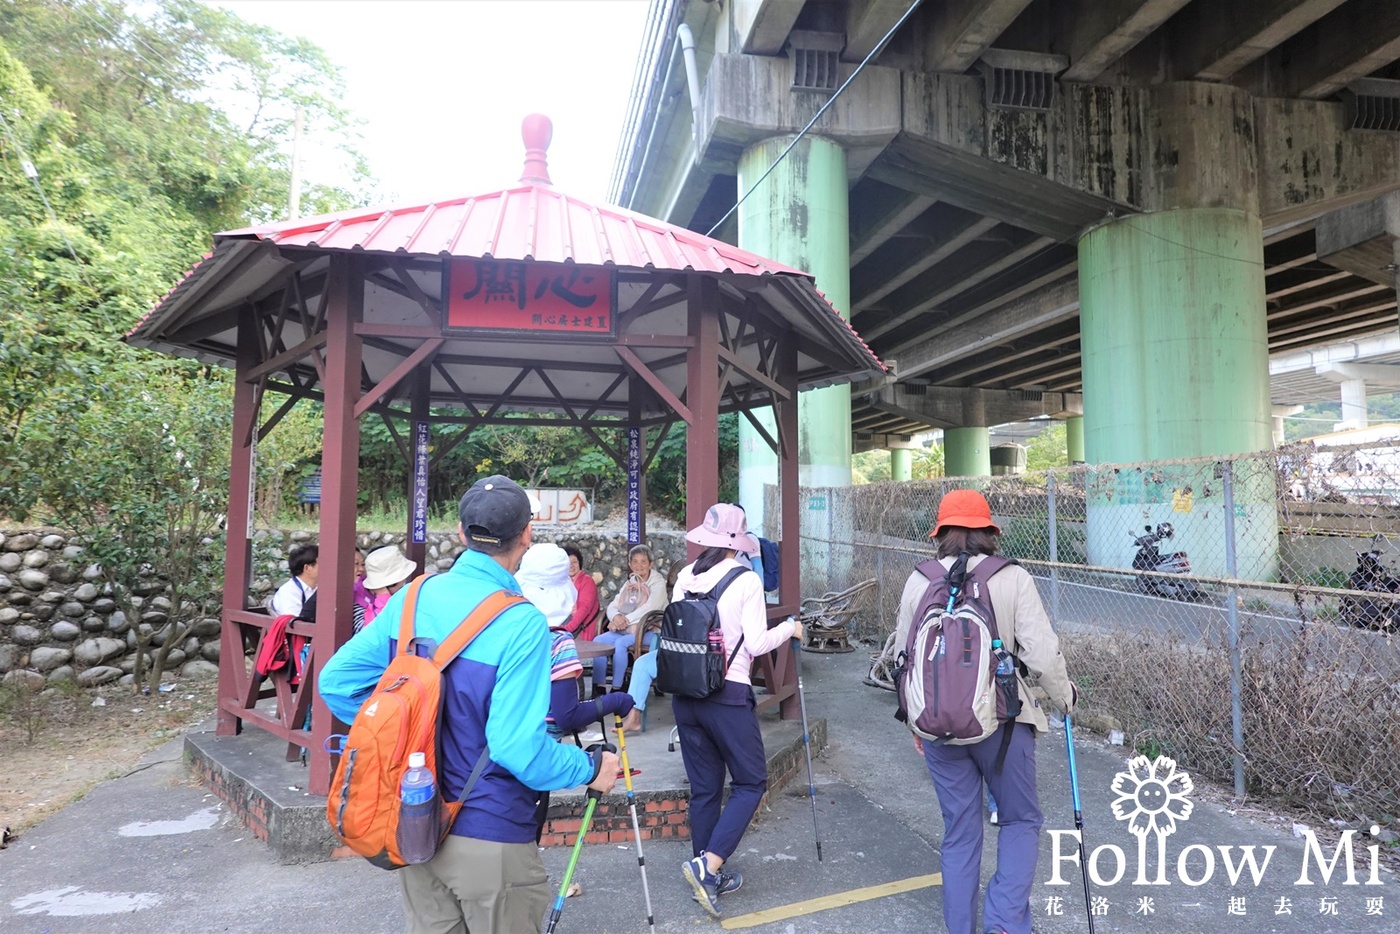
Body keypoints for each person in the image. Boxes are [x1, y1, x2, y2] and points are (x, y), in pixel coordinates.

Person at [319, 475, 620, 934]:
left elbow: (336, 683)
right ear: (526, 534)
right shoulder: (522, 622)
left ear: (460, 532)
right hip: (491, 833)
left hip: (417, 822)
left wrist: (413, 724)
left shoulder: (415, 596)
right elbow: (517, 749)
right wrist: (590, 765)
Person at [893, 489, 1075, 934]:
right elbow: (1043, 655)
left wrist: (915, 719)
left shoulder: (919, 580)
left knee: (959, 831)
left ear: (942, 533)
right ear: (988, 532)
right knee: (1019, 819)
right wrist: (1064, 696)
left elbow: (902, 657)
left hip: (938, 730)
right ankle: (1004, 925)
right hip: (1004, 727)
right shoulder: (1011, 578)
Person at [673, 503, 803, 919]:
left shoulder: (684, 575)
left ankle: (707, 870)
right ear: (738, 540)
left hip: (685, 694)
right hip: (727, 695)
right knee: (751, 782)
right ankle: (708, 866)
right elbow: (758, 643)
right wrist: (792, 628)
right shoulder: (745, 579)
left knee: (705, 787)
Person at [592, 544, 667, 694]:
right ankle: (598, 686)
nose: (639, 565)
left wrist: (624, 620)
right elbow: (613, 604)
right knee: (598, 641)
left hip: (651, 631)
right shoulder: (630, 582)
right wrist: (616, 616)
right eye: (635, 561)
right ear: (630, 564)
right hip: (626, 628)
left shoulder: (658, 583)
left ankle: (617, 687)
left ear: (651, 564)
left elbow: (650, 608)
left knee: (621, 643)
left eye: (643, 561)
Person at [624, 561, 683, 732]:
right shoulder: (679, 598)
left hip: (700, 656)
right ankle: (634, 717)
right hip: (673, 650)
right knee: (642, 664)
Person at [357, 544, 418, 629]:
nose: (404, 580)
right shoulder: (358, 600)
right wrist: (383, 597)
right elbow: (375, 631)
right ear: (393, 582)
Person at [561, 543, 600, 640]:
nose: (571, 566)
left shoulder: (587, 581)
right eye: (568, 562)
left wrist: (566, 629)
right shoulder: (561, 581)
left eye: (574, 562)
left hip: (580, 631)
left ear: (580, 563)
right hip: (563, 627)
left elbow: (583, 609)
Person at [269, 543, 318, 616]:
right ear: (307, 568)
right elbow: (295, 624)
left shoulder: (321, 587)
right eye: (323, 563)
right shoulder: (288, 592)